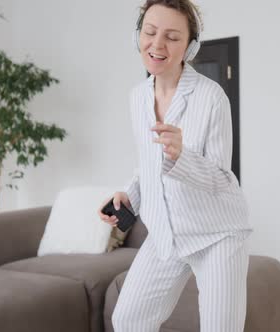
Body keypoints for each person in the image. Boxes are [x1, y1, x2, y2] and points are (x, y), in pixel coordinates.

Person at [97, 1, 253, 331]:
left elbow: (222, 179)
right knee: (128, 320)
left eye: (171, 36)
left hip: (217, 235)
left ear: (190, 46)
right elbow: (146, 166)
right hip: (166, 233)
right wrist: (130, 197)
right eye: (150, 33)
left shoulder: (212, 98)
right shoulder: (137, 97)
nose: (157, 45)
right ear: (139, 35)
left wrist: (182, 156)